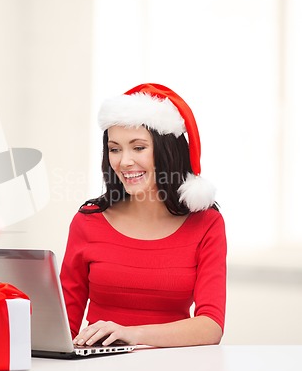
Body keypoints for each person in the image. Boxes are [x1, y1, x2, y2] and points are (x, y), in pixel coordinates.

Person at [60, 83, 226, 348]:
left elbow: (210, 326)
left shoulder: (206, 224)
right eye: (115, 149)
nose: (124, 161)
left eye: (138, 148)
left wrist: (131, 334)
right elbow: (62, 325)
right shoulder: (88, 221)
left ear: (168, 151)